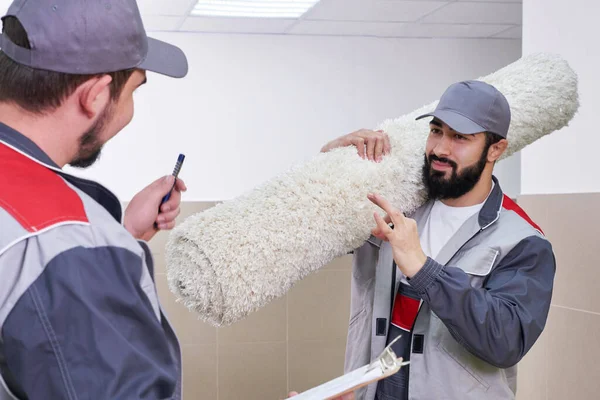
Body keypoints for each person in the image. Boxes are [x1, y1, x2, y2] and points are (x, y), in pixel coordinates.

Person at [318, 80, 556, 399]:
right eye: (437, 131)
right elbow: (316, 232)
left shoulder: (522, 242)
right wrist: (331, 163)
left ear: (496, 149)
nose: (440, 149)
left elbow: (506, 341)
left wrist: (422, 268)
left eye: (460, 137)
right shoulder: (397, 205)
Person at [0, 1, 190, 398]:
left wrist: (124, 235)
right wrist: (97, 247)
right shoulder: (61, 240)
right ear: (95, 95)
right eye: (134, 89)